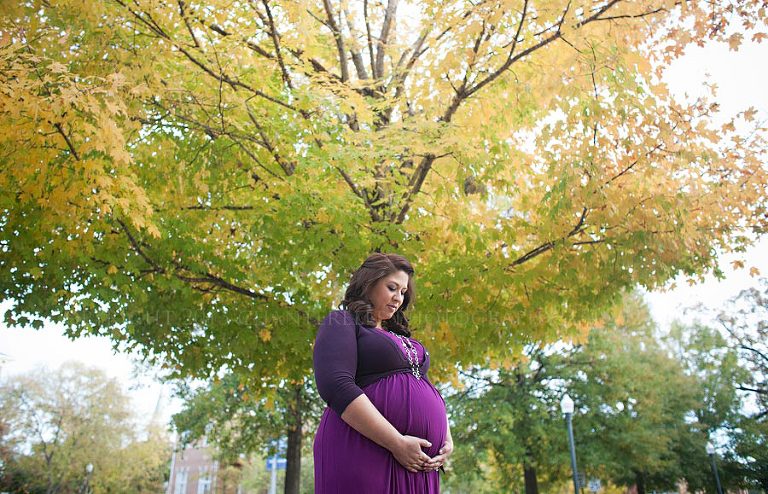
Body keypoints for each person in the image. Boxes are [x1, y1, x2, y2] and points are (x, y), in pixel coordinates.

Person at [313, 253, 454, 493]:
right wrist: (396, 443)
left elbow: (427, 387)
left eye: (403, 292)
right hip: (364, 449)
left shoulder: (402, 338)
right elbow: (336, 385)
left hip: (417, 463)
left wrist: (446, 439)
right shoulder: (343, 322)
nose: (398, 298)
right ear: (369, 283)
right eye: (392, 288)